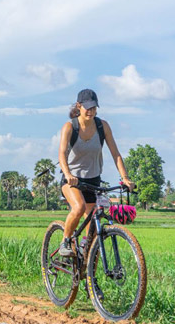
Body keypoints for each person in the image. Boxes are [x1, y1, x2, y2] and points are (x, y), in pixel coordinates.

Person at [58, 89, 135, 257]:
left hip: (93, 180)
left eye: (94, 108)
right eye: (88, 108)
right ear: (79, 106)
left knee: (92, 233)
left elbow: (116, 154)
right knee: (79, 208)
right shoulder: (70, 127)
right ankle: (65, 241)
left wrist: (125, 178)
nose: (91, 112)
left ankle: (88, 275)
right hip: (72, 180)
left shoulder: (102, 126)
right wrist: (68, 174)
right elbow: (62, 154)